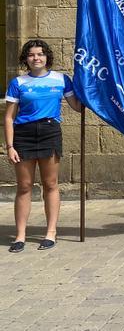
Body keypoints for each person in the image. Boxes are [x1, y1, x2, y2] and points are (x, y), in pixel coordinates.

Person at [5, 39, 82, 253]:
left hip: (49, 132)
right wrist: (10, 146)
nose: (36, 58)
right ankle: (20, 236)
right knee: (24, 186)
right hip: (24, 135)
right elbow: (9, 117)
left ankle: (51, 233)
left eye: (40, 54)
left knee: (50, 184)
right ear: (26, 59)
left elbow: (77, 106)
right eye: (31, 55)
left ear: (47, 57)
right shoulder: (18, 83)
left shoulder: (61, 80)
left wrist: (90, 92)